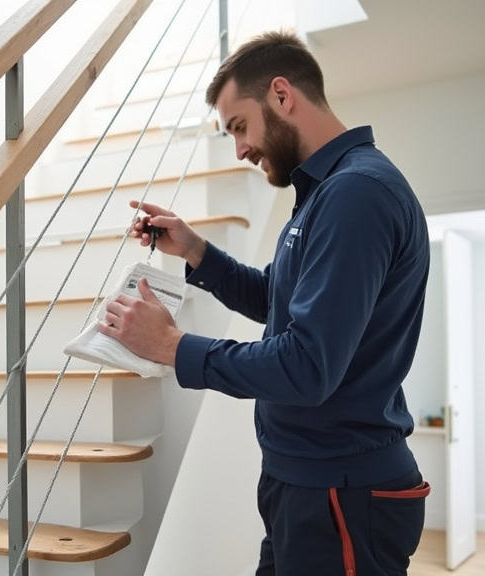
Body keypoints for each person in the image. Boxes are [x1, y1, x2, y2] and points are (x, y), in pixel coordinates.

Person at [98, 31, 431, 576]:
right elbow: (278, 300)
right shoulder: (325, 195)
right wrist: (197, 250)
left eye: (239, 127)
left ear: (281, 94)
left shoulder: (356, 195)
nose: (239, 149)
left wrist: (171, 346)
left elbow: (307, 366)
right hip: (304, 484)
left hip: (340, 492)